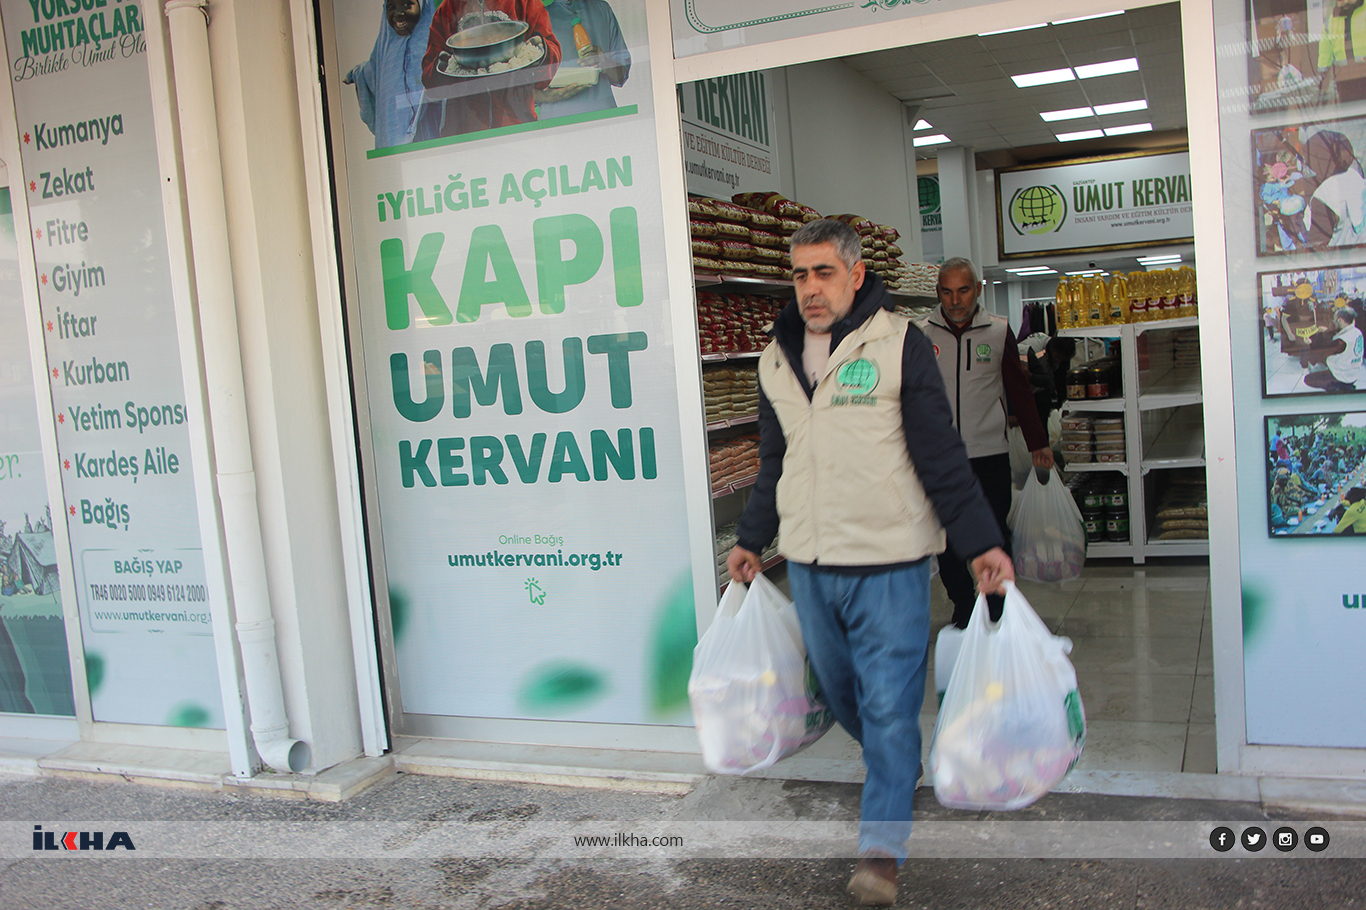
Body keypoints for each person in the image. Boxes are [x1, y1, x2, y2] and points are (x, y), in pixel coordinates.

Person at [725, 219, 1014, 906]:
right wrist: (751, 536)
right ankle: (898, 763)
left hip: (892, 562)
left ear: (855, 275)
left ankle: (881, 850)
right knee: (843, 694)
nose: (810, 287)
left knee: (886, 706)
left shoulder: (899, 345)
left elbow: (940, 453)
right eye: (800, 274)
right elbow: (774, 462)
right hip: (812, 562)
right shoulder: (776, 358)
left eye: (823, 272)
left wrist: (980, 542)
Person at [915, 257, 1053, 629]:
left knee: (993, 532)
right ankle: (962, 605)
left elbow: (1019, 391)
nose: (955, 300)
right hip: (939, 458)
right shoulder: (919, 333)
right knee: (946, 540)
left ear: (977, 290)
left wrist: (1038, 441)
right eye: (947, 291)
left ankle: (996, 605)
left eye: (963, 290)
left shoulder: (998, 331)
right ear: (938, 292)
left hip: (989, 453)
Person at [421, 0, 561, 138]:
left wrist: (539, 51)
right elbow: (430, 80)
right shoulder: (447, 8)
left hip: (516, 125)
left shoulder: (526, 3)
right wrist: (445, 65)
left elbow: (550, 66)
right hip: (463, 131)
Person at [344, 0, 440, 149]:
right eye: (391, 7)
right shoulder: (386, 49)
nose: (398, 13)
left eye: (407, 5)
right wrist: (356, 74)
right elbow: (374, 71)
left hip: (429, 128)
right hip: (397, 142)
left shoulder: (434, 42)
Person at [534, 0, 630, 120]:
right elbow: (517, 93)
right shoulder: (536, 20)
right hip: (558, 123)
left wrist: (605, 62)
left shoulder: (602, 9)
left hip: (604, 118)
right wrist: (548, 96)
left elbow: (622, 75)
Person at [1304, 304, 1365, 391]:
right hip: (1354, 372)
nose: (1334, 321)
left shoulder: (1341, 342)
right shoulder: (1357, 332)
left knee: (1308, 379)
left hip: (1343, 376)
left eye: (1335, 320)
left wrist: (1310, 343)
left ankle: (1336, 386)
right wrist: (1327, 331)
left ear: (1340, 320)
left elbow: (1322, 353)